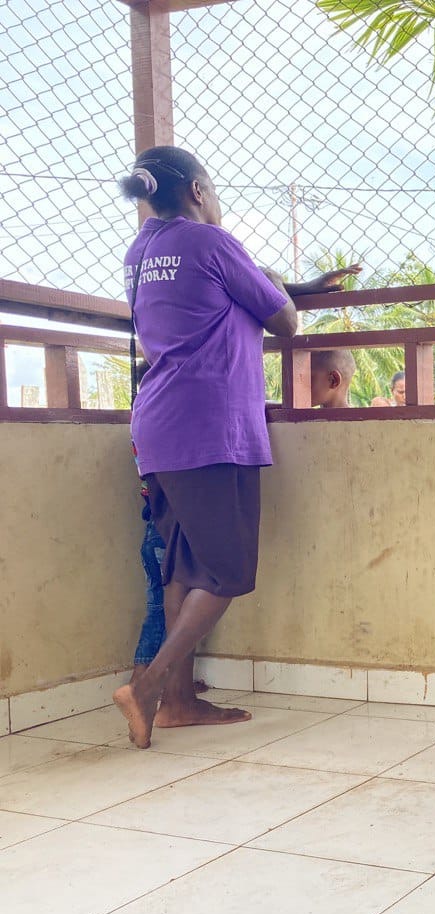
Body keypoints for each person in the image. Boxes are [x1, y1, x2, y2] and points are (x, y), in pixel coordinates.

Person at [112, 145, 358, 748]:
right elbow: (285, 322)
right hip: (210, 426)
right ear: (198, 191)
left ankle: (178, 703)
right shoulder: (213, 242)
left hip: (158, 424)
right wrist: (293, 293)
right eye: (213, 190)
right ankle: (148, 688)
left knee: (183, 563)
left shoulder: (141, 250)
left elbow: (204, 300)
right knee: (227, 569)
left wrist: (291, 283)